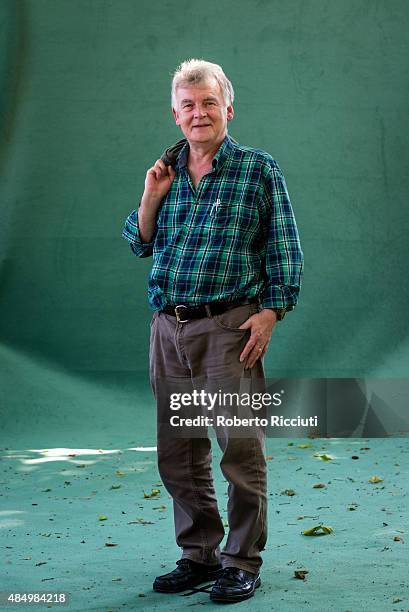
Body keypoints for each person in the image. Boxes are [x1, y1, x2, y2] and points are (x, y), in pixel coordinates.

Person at [122, 59, 303, 603]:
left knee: (239, 449)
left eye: (208, 102)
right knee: (178, 450)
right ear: (175, 114)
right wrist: (151, 196)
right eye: (187, 104)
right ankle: (199, 554)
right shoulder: (166, 171)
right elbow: (138, 240)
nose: (198, 113)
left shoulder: (256, 168)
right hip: (167, 328)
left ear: (228, 107)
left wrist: (272, 311)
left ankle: (241, 561)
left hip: (229, 327)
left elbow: (285, 247)